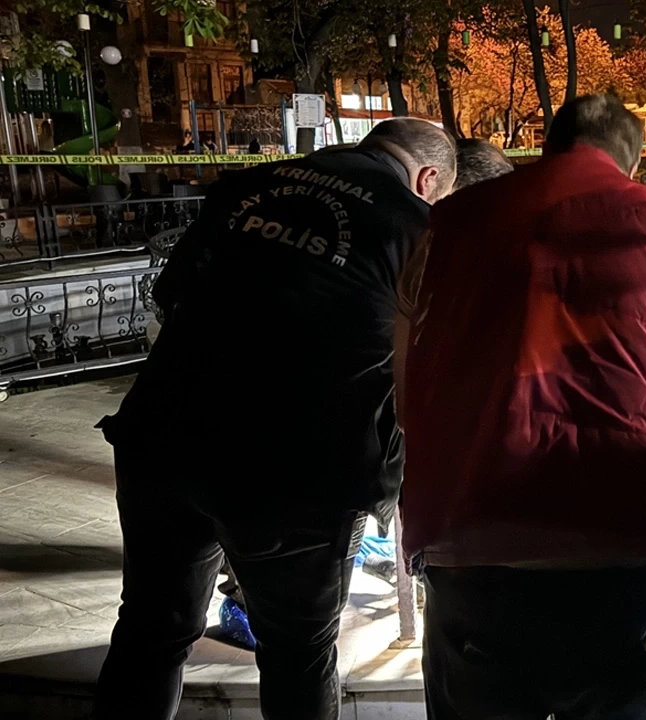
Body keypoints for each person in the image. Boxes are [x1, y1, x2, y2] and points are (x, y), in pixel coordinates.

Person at [93, 118, 456, 720]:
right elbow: (422, 361)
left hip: (165, 435)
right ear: (427, 179)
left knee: (152, 626)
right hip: (299, 468)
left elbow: (169, 294)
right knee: (297, 652)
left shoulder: (250, 184)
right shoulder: (416, 226)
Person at [395, 94, 646, 720]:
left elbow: (407, 393)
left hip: (475, 546)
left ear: (547, 149)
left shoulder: (450, 226)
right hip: (630, 552)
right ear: (630, 167)